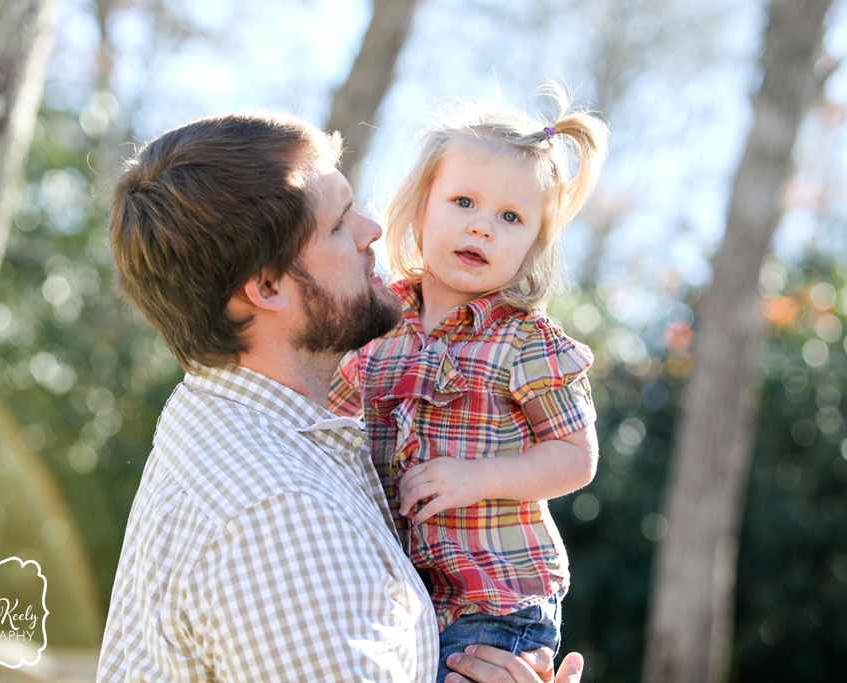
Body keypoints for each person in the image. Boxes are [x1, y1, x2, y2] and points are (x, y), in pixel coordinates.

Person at [96, 110, 583, 682]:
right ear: (268, 287)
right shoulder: (280, 514)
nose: (372, 229)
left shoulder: (232, 426)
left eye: (509, 216)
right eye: (338, 224)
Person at [330, 84, 608, 681]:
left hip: (498, 599)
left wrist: (478, 478)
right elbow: (325, 422)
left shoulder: (526, 342)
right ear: (421, 208)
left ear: (533, 244)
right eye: (464, 202)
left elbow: (575, 456)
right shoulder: (376, 325)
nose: (483, 227)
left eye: (510, 218)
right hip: (403, 599)